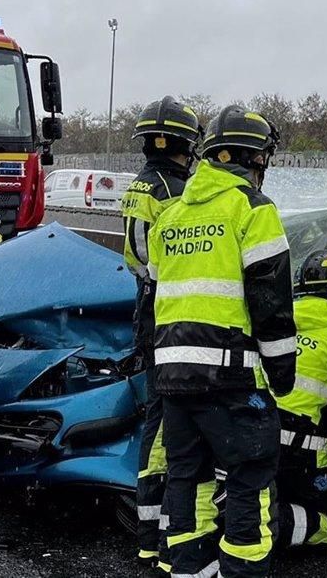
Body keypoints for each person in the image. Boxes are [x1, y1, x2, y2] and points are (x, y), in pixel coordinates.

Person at [149, 106, 297, 578]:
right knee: (248, 481)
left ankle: (189, 571)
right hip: (231, 378)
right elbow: (270, 299)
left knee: (187, 483)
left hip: (172, 377)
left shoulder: (170, 217)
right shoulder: (252, 209)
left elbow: (156, 294)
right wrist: (282, 372)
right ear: (255, 160)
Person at [120, 95, 202, 568]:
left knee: (161, 418)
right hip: (167, 309)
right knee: (165, 426)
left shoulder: (140, 185)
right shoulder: (173, 193)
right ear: (183, 146)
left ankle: (152, 533)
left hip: (146, 307)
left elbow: (137, 259)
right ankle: (158, 534)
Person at [271, 252, 327, 553]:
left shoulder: (275, 323)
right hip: (301, 455)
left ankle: (251, 516)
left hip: (252, 441)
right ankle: (269, 524)